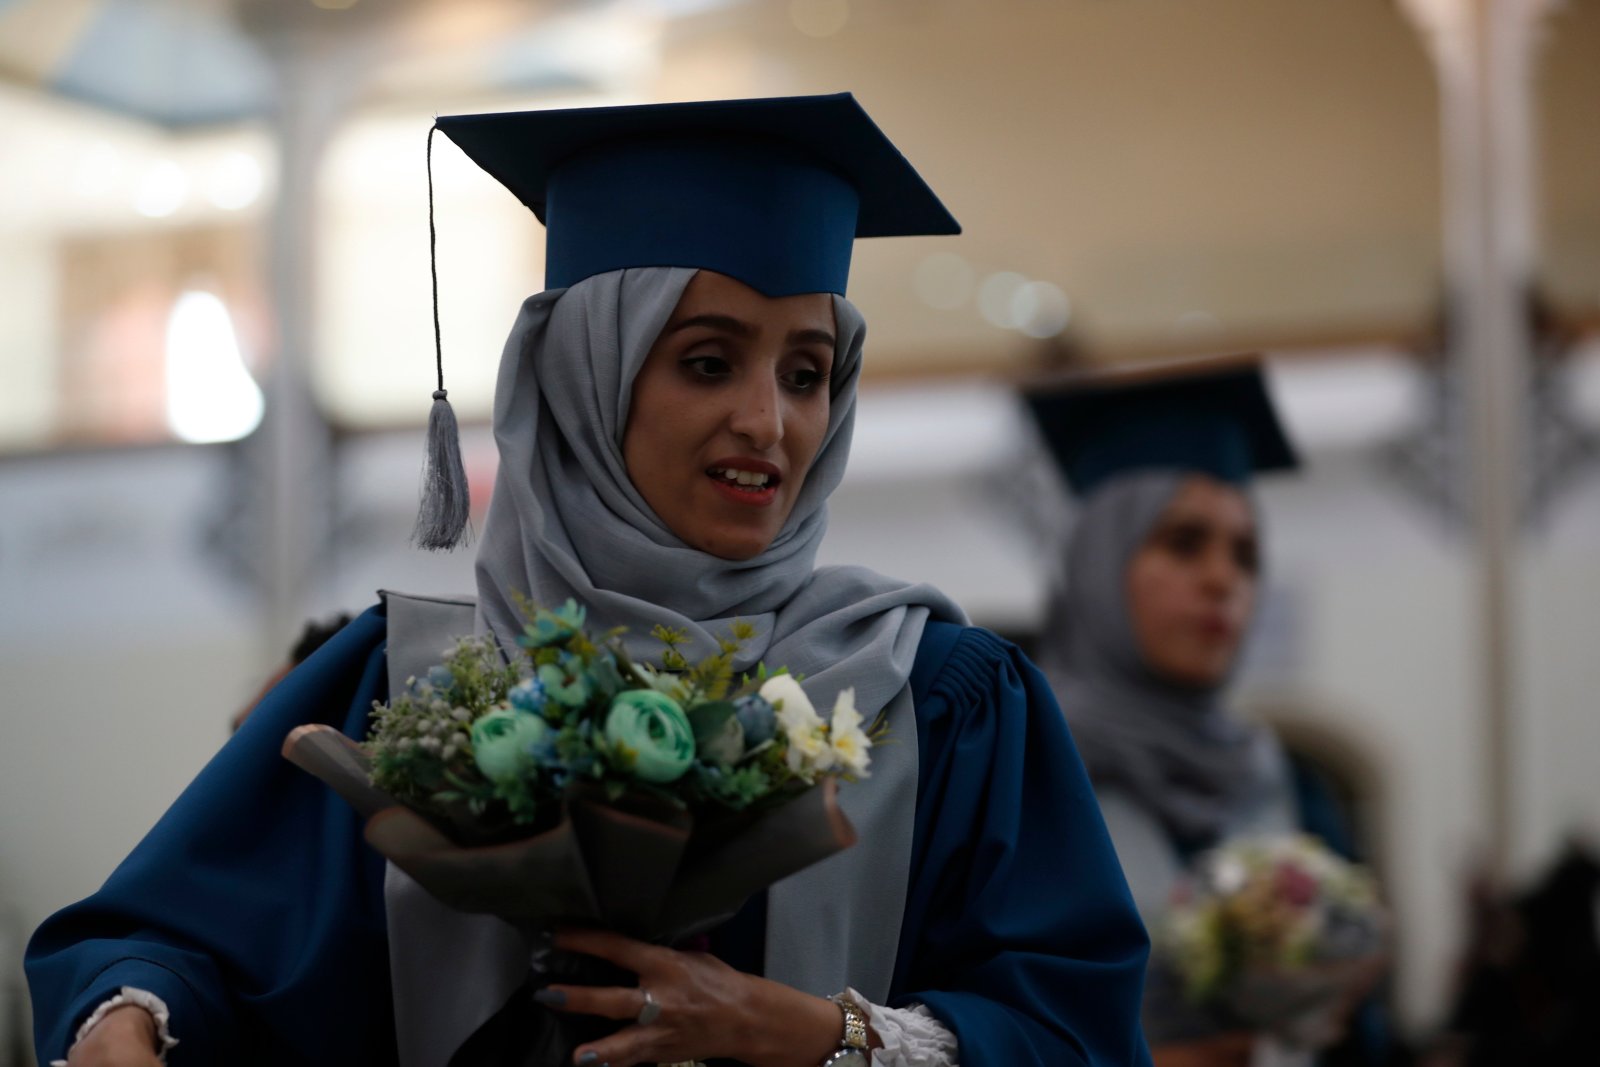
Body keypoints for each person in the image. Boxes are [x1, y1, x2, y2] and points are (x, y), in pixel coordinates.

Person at [28, 94, 1153, 1067]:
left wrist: (813, 1033)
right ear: (581, 378)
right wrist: (128, 1018)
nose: (767, 422)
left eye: (807, 373)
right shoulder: (403, 680)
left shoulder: (933, 699)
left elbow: (1076, 1034)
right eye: (708, 361)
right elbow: (171, 939)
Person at [1024, 361, 1384, 1067]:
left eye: (1246, 554)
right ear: (1098, 558)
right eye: (1184, 542)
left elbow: (1368, 1037)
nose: (1224, 579)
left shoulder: (1290, 785)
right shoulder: (1017, 776)